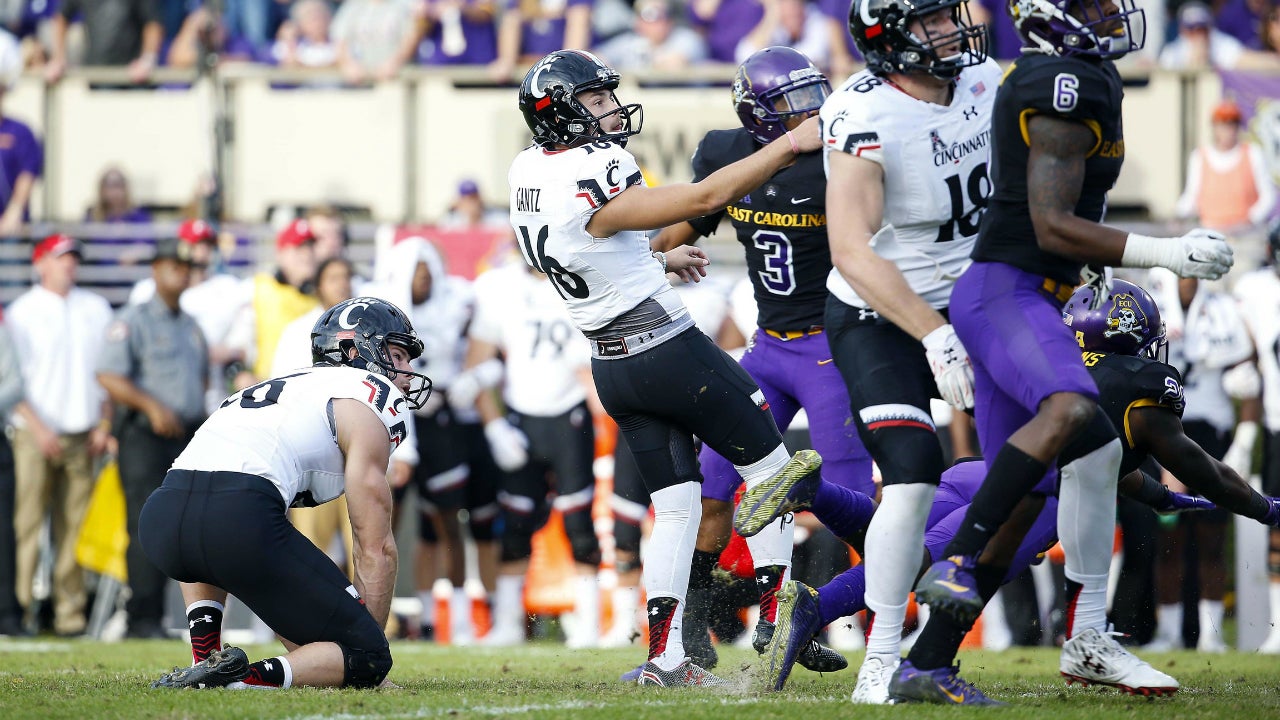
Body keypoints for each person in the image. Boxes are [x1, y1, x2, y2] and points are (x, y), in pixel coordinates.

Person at [910, 0, 1234, 702]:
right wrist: (1167, 249)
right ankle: (962, 561)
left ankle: (927, 664)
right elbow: (1052, 225)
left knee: (1049, 482)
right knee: (1073, 408)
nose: (1112, 13)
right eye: (1090, 2)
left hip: (1030, 293)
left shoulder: (1080, 75)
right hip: (1008, 292)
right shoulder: (1061, 83)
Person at [756, 278, 1280, 696]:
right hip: (1034, 498)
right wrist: (1268, 509)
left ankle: (816, 492)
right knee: (926, 566)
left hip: (979, 472)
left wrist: (1167, 499)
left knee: (892, 534)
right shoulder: (1142, 387)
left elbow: (1111, 463)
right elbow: (1206, 469)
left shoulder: (1052, 358)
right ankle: (817, 609)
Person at [510, 48, 824, 687]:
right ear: (560, 112)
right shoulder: (597, 165)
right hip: (667, 350)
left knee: (677, 507)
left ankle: (664, 658)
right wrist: (791, 142)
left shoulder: (527, 169)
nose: (609, 109)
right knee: (772, 470)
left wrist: (655, 263)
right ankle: (776, 624)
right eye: (595, 100)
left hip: (613, 365)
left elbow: (588, 246)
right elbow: (709, 194)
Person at [651, 46, 871, 674]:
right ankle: (695, 624)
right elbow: (679, 228)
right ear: (755, 113)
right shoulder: (725, 152)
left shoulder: (841, 156)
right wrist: (655, 256)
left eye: (814, 94)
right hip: (768, 346)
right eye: (792, 101)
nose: (812, 111)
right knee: (712, 488)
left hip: (834, 345)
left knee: (849, 504)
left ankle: (820, 615)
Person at [816, 0, 996, 703]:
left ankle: (1092, 632)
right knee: (914, 471)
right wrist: (934, 332)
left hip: (977, 298)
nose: (952, 30)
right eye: (931, 22)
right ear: (890, 39)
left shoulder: (983, 77)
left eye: (949, 15)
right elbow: (851, 251)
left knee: (1059, 438)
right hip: (880, 313)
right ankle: (881, 656)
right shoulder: (864, 115)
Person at [142, 296, 431, 690]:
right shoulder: (368, 397)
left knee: (208, 513)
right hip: (237, 519)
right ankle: (236, 679)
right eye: (397, 355)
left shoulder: (279, 384)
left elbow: (202, 491)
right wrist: (368, 654)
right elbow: (374, 546)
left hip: (163, 516)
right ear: (353, 350)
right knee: (364, 658)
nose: (408, 371)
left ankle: (205, 658)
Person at [451, 260, 603, 648]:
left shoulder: (582, 280)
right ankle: (508, 623)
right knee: (515, 525)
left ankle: (589, 622)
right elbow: (475, 367)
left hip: (570, 414)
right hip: (521, 419)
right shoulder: (500, 288)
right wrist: (494, 425)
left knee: (579, 525)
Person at [369, 236, 500, 645]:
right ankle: (384, 619)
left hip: (442, 417)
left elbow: (490, 356)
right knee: (382, 520)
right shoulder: (382, 311)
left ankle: (454, 617)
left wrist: (471, 380)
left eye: (429, 271)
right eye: (417, 272)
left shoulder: (457, 303)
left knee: (445, 521)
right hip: (391, 417)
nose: (424, 280)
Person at [97, 237, 209, 639]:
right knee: (145, 523)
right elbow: (108, 375)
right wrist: (151, 406)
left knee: (180, 527)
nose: (181, 272)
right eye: (172, 265)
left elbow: (201, 381)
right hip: (144, 435)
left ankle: (166, 617)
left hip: (187, 435)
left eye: (185, 266)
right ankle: (140, 617)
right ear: (155, 270)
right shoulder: (135, 319)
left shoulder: (192, 325)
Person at [6, 234, 114, 636]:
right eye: (60, 257)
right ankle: (20, 611)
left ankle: (69, 615)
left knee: (75, 527)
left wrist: (104, 423)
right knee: (29, 525)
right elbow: (11, 378)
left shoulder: (95, 308)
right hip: (34, 431)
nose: (69, 264)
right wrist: (36, 426)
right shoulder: (23, 312)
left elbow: (106, 373)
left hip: (81, 431)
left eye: (72, 258)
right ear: (41, 263)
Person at [270, 257, 367, 579]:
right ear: (319, 286)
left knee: (369, 543)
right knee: (311, 548)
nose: (342, 284)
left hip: (363, 451)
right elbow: (280, 393)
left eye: (346, 276)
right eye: (334, 277)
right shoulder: (298, 331)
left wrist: (404, 451)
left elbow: (390, 392)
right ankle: (309, 626)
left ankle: (379, 625)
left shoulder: (370, 332)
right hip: (314, 453)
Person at [1232, 223, 1280, 653]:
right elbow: (1246, 347)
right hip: (1277, 423)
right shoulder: (1255, 289)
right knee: (1279, 526)